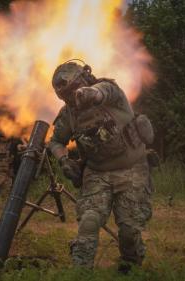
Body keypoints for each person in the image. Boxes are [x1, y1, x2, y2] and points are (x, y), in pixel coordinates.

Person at [48, 60, 155, 272]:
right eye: (66, 95)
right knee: (89, 221)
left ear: (85, 79)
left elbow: (102, 91)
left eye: (74, 90)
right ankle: (81, 272)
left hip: (132, 169)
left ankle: (130, 267)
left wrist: (90, 93)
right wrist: (64, 160)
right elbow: (55, 141)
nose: (72, 97)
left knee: (129, 230)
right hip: (97, 173)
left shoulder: (111, 92)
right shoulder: (69, 114)